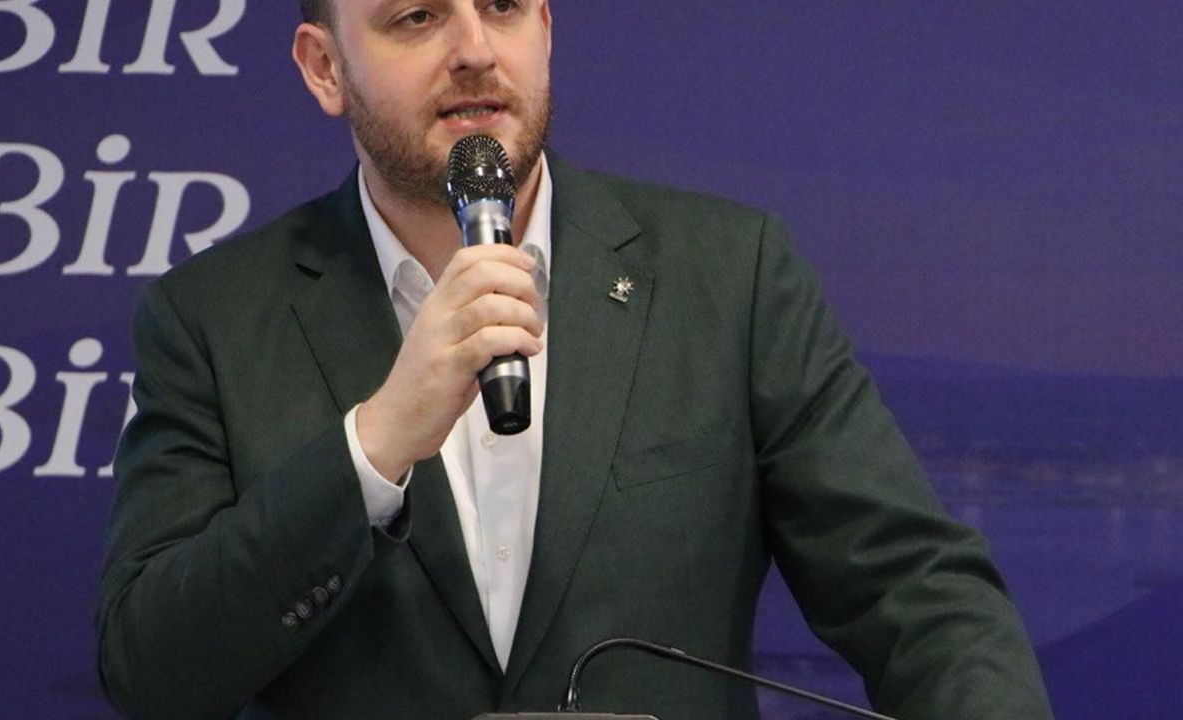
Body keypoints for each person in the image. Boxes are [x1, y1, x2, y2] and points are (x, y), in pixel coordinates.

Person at [95, 1, 1054, 718]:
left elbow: (914, 593)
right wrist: (373, 447)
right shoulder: (213, 319)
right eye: (417, 17)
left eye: (504, 5)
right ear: (324, 67)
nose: (475, 48)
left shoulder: (730, 278)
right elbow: (153, 671)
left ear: (546, 29)